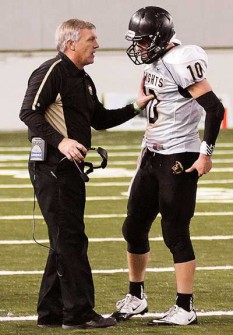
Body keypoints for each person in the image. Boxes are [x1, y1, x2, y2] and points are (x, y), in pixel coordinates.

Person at [19, 18, 153, 330]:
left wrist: (137, 105)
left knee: (63, 240)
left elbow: (100, 119)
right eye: (91, 39)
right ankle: (78, 313)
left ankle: (51, 313)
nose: (97, 44)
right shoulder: (52, 70)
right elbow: (28, 112)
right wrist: (61, 141)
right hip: (52, 168)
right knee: (71, 239)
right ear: (71, 44)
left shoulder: (83, 78)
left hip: (70, 170)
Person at [111, 6, 224, 326]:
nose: (139, 48)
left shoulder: (182, 60)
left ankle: (185, 306)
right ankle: (136, 296)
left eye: (144, 41)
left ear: (160, 39)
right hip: (151, 153)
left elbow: (215, 109)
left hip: (179, 156)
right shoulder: (155, 60)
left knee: (175, 232)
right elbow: (152, 99)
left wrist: (206, 154)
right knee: (132, 227)